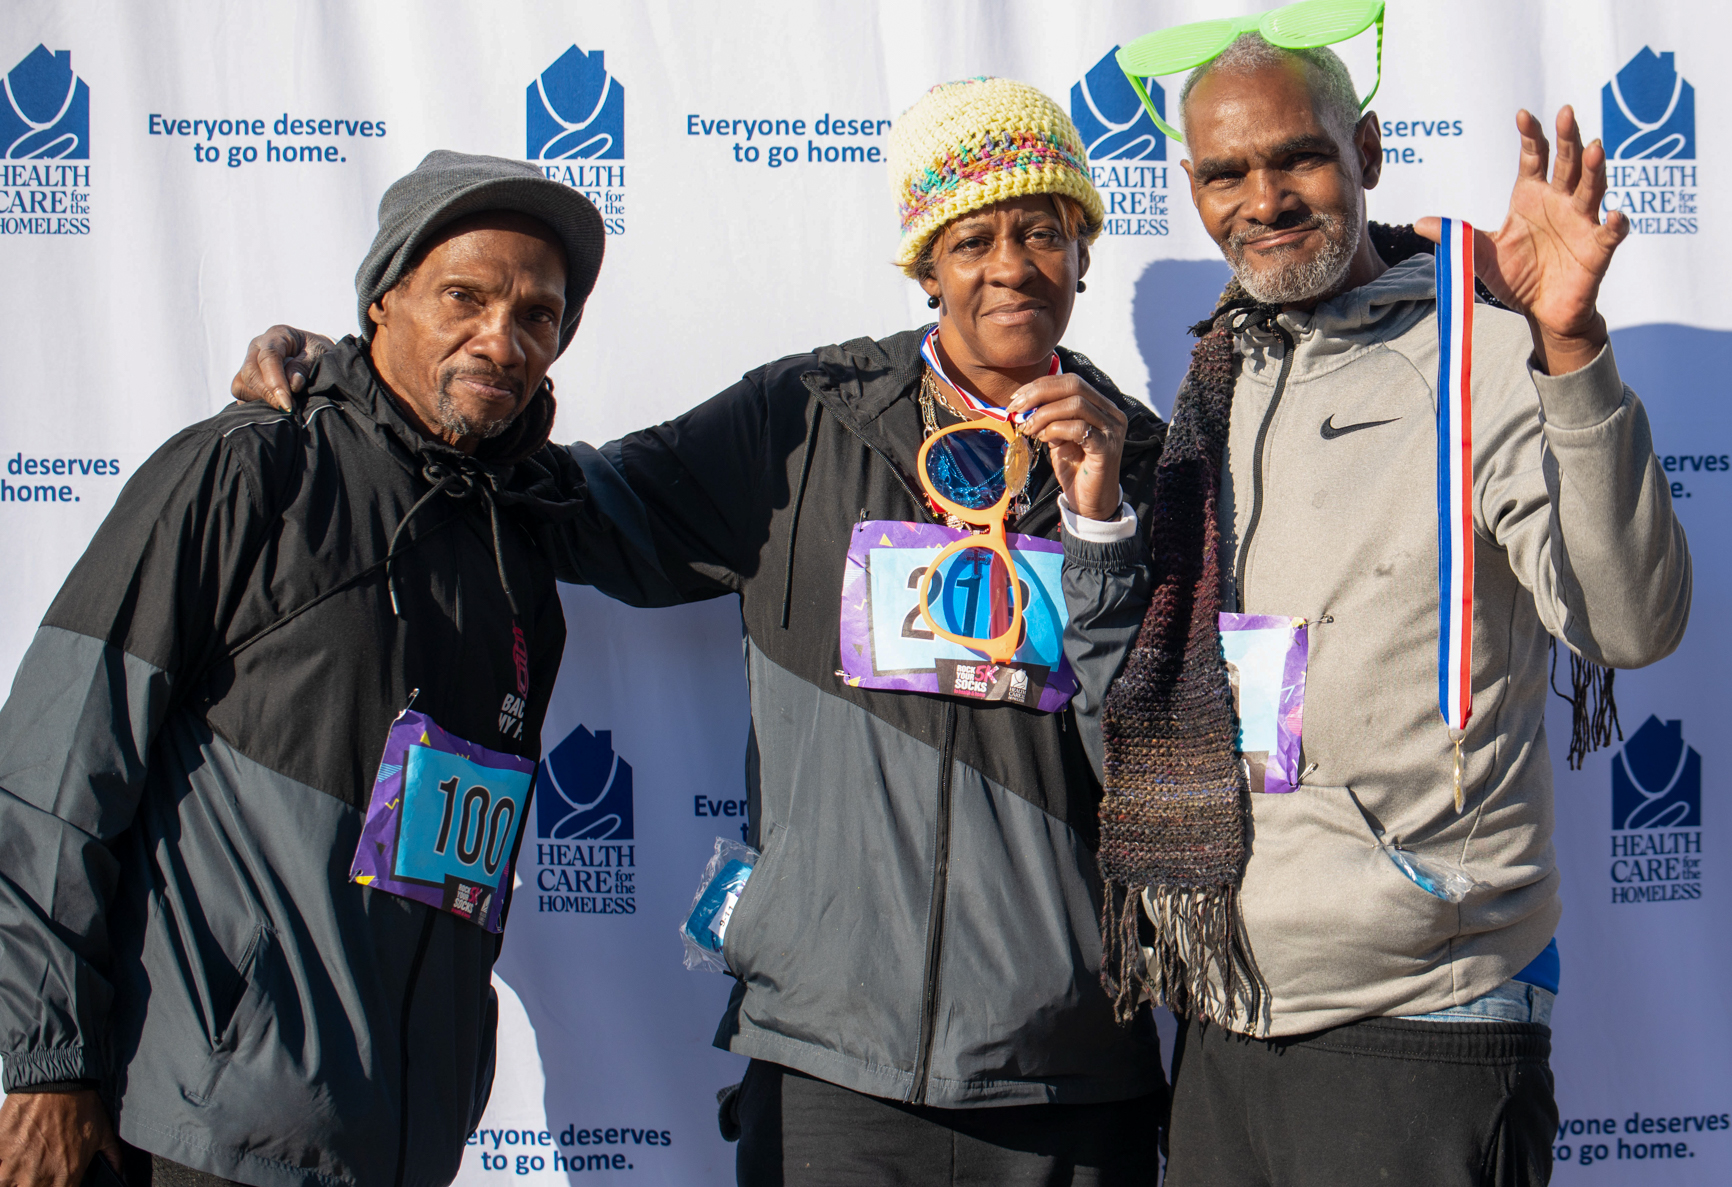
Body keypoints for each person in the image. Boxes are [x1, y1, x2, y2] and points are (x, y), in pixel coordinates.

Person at [229, 80, 1173, 1186]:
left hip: (1067, 1072)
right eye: (972, 237)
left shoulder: (1155, 467)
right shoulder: (806, 420)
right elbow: (568, 502)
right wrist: (361, 384)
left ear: (1084, 255)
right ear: (925, 264)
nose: (1011, 264)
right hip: (829, 1062)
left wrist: (1104, 522)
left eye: (1044, 232)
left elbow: (1165, 766)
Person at [1090, 33, 1693, 1185]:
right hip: (1223, 1010)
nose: (1262, 200)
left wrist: (1565, 348)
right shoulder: (1220, 370)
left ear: (1364, 152)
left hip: (1421, 1017)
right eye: (1224, 174)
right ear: (1191, 191)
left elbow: (1628, 625)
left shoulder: (1475, 353)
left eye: (1298, 159)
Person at [0, 152, 605, 1187]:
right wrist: (45, 1063)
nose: (500, 339)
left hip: (398, 1147)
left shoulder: (522, 536)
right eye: (464, 295)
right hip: (199, 1128)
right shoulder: (250, 471)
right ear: (384, 297)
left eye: (538, 315)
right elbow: (59, 771)